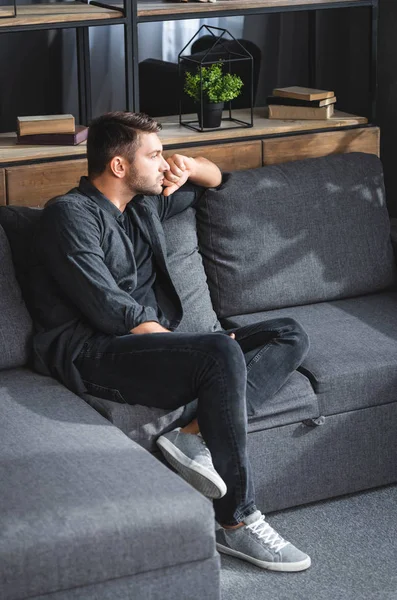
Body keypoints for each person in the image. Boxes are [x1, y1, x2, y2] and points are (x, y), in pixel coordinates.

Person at [29, 111, 311, 572]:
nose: (163, 165)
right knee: (219, 351)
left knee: (288, 334)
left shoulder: (143, 206)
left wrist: (188, 164)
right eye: (154, 154)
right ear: (119, 166)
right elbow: (107, 307)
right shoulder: (69, 215)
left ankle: (190, 437)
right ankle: (236, 523)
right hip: (93, 353)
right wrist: (188, 347)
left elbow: (216, 182)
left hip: (146, 346)